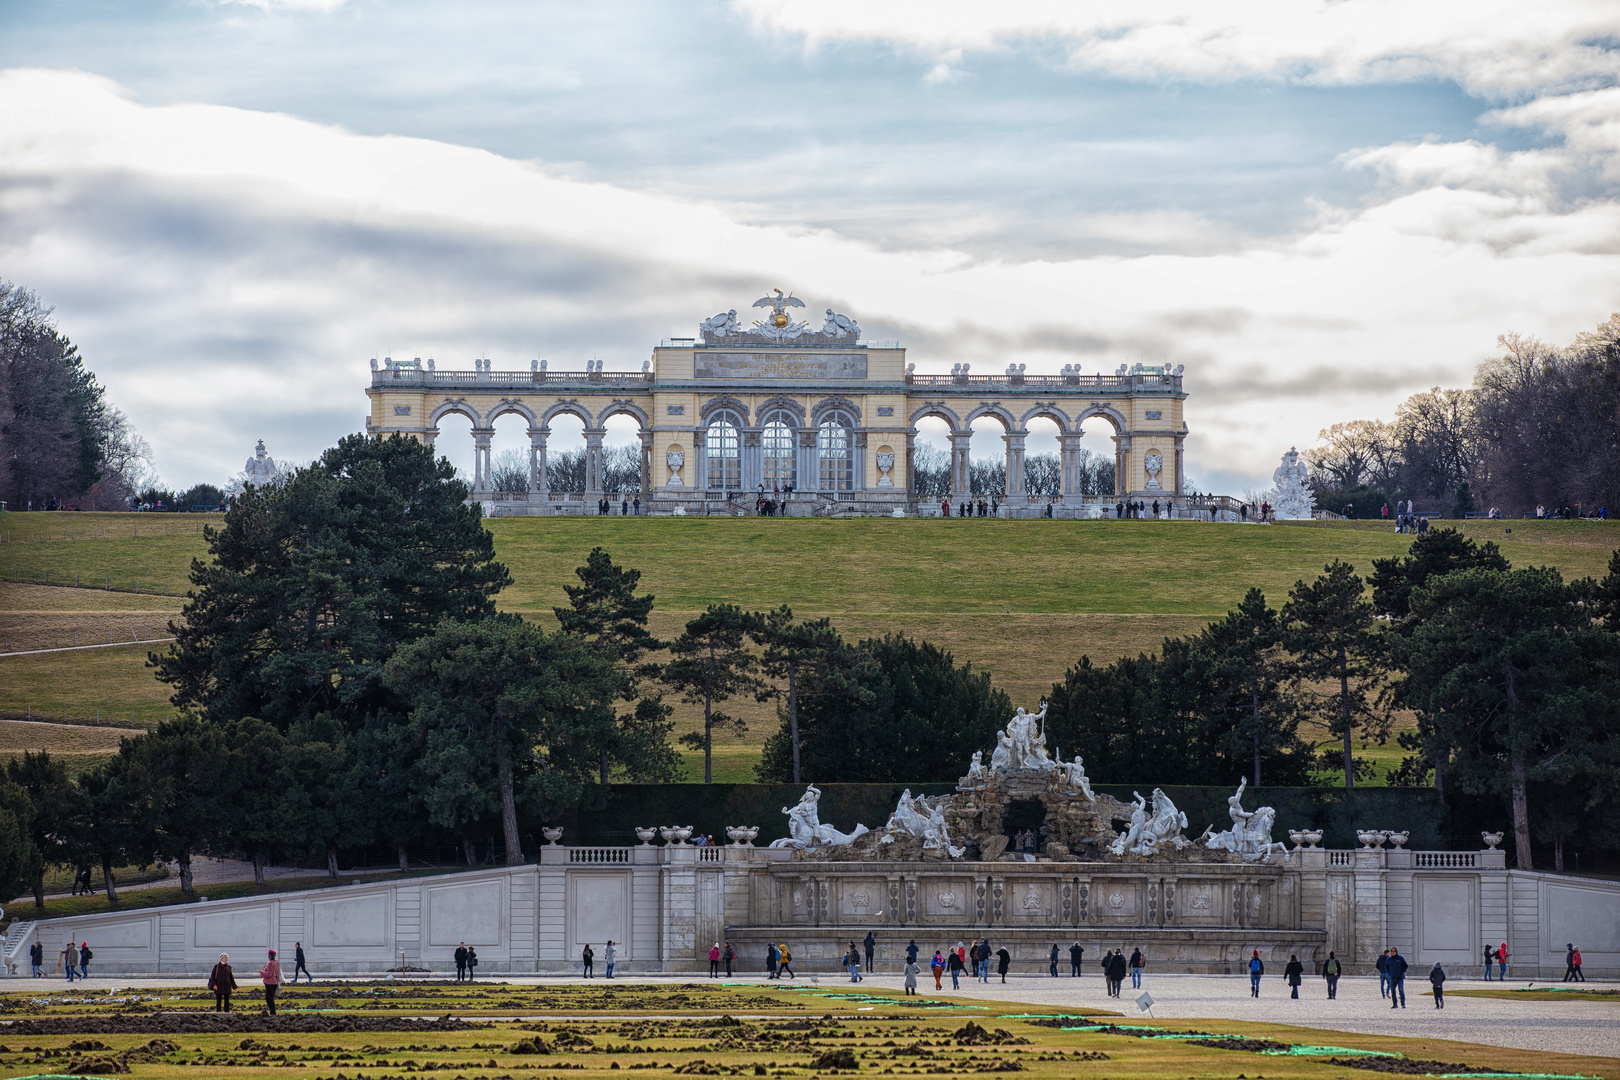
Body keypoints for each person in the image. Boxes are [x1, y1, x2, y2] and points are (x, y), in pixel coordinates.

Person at [259, 949, 282, 1015]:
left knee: (269, 999)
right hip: (274, 982)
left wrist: (262, 972)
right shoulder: (276, 962)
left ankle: (272, 1012)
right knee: (270, 998)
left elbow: (269, 974)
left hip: (270, 983)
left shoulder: (270, 963)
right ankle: (272, 1012)